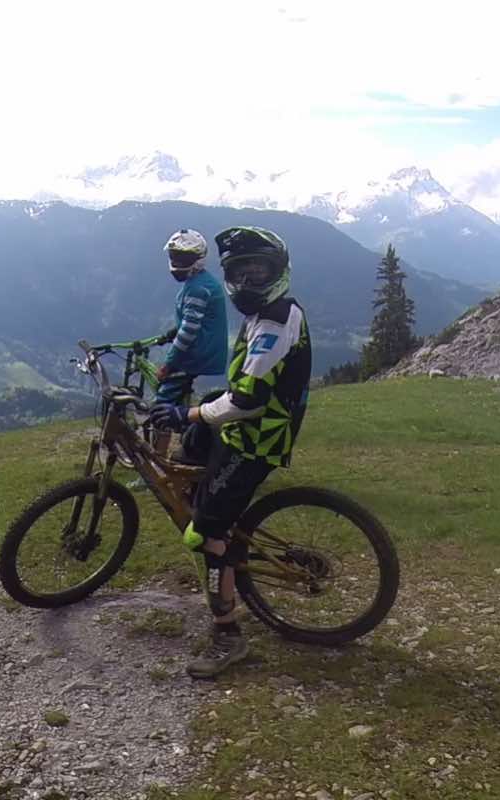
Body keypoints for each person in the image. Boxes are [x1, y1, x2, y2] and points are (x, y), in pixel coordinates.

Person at [150, 226, 312, 678]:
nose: (246, 281)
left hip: (257, 438)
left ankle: (228, 636)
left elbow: (247, 401)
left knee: (204, 535)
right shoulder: (266, 311)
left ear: (278, 272)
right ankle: (221, 519)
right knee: (193, 453)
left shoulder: (275, 321)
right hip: (243, 429)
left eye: (257, 272)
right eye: (240, 272)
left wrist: (188, 413)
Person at [155, 229, 228, 406]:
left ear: (198, 259)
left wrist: (168, 364)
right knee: (177, 397)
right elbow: (196, 318)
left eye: (183, 259)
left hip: (196, 356)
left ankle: (164, 420)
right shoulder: (201, 281)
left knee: (163, 400)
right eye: (174, 257)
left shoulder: (197, 289)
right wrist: (170, 334)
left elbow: (189, 330)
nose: (176, 263)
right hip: (204, 352)